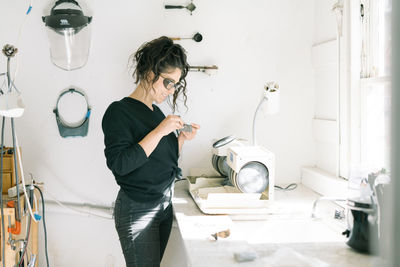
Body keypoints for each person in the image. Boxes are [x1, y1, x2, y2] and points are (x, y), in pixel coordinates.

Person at [101, 36, 199, 266]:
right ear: (149, 71)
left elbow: (161, 160)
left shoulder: (156, 113)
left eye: (175, 84)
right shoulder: (119, 111)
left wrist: (180, 140)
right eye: (168, 82)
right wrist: (160, 131)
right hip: (137, 208)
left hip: (162, 204)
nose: (171, 89)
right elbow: (120, 164)